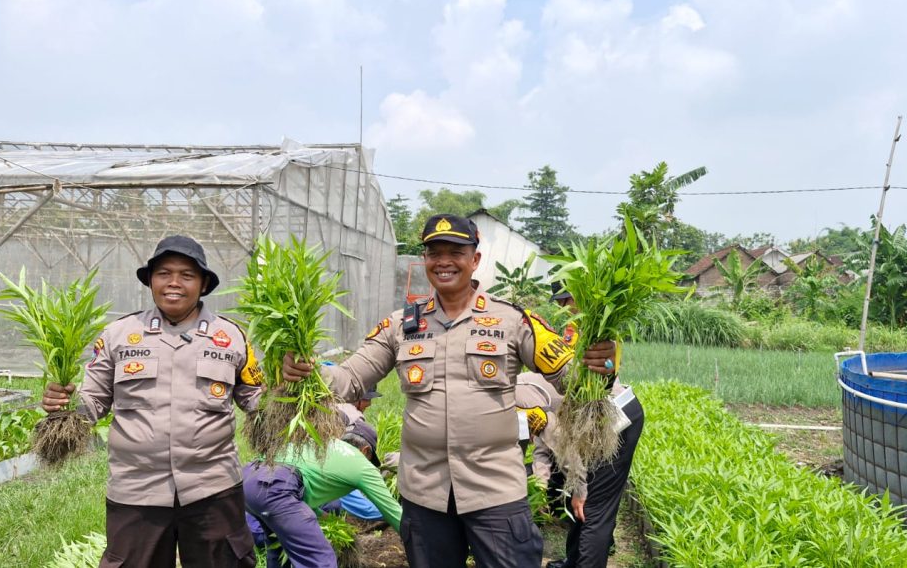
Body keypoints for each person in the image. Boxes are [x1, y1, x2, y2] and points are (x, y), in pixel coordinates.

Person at [281, 214, 618, 568]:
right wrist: (306, 371)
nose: (443, 261)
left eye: (455, 251)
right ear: (424, 260)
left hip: (496, 493)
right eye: (433, 252)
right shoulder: (400, 326)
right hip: (425, 496)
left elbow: (575, 381)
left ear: (475, 259)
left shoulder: (513, 321)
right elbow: (349, 378)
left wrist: (604, 365)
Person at [41, 235, 263, 568]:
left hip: (213, 490)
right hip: (136, 490)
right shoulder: (118, 334)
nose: (174, 283)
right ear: (151, 281)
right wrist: (63, 407)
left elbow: (256, 399)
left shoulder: (231, 336)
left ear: (203, 284)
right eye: (164, 273)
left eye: (187, 275)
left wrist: (291, 388)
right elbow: (93, 400)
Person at [544, 284, 646, 568]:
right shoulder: (577, 330)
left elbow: (605, 373)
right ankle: (574, 560)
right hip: (593, 417)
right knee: (582, 499)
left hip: (609, 418)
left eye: (568, 299)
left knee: (594, 506)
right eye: (561, 301)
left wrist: (579, 484)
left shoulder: (596, 332)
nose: (564, 307)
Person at [243, 419, 402, 568]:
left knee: (277, 550)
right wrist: (418, 537)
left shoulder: (324, 443)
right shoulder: (361, 464)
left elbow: (300, 487)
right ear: (366, 450)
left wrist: (322, 515)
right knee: (321, 559)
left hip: (249, 479)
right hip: (275, 489)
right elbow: (394, 512)